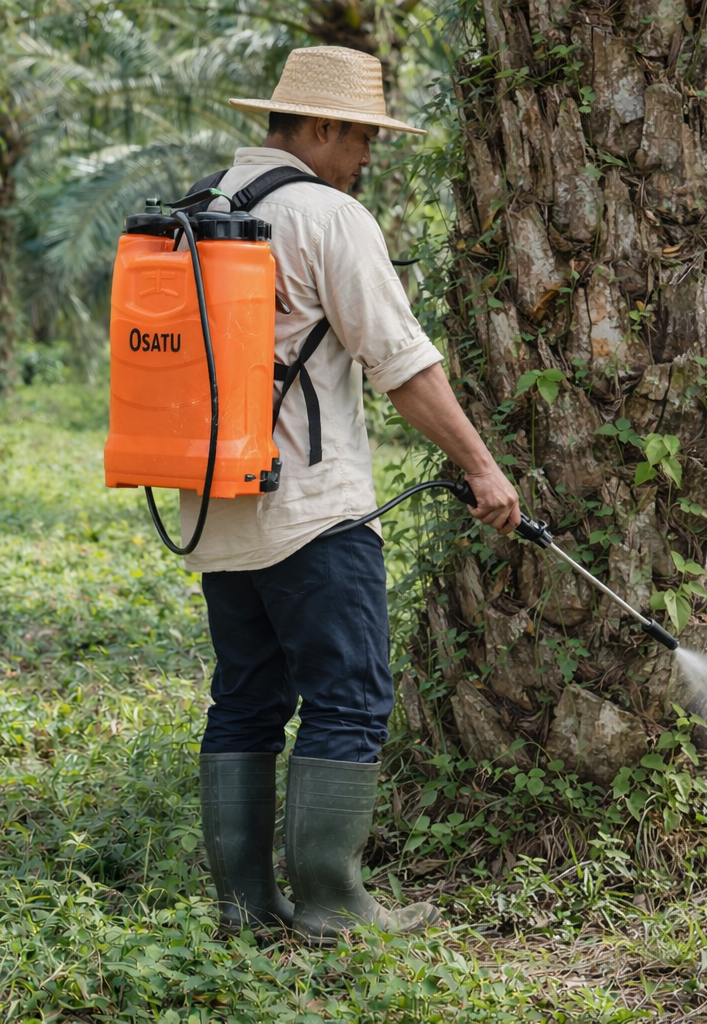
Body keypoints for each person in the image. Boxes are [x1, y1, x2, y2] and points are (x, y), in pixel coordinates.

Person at [180, 46, 521, 945]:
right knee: (351, 697)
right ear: (322, 128)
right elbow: (403, 365)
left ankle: (243, 907)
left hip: (215, 506)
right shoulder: (326, 214)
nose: (367, 157)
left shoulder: (202, 207)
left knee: (246, 698)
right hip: (314, 513)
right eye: (363, 137)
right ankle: (333, 903)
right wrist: (484, 468)